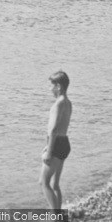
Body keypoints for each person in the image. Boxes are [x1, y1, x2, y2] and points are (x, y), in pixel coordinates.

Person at [40, 71, 72, 210]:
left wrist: (49, 151)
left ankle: (56, 216)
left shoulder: (58, 104)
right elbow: (61, 127)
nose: (50, 89)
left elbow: (53, 130)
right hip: (64, 143)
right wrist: (49, 146)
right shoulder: (68, 103)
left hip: (57, 145)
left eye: (52, 86)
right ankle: (61, 215)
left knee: (43, 183)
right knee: (55, 184)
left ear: (58, 86)